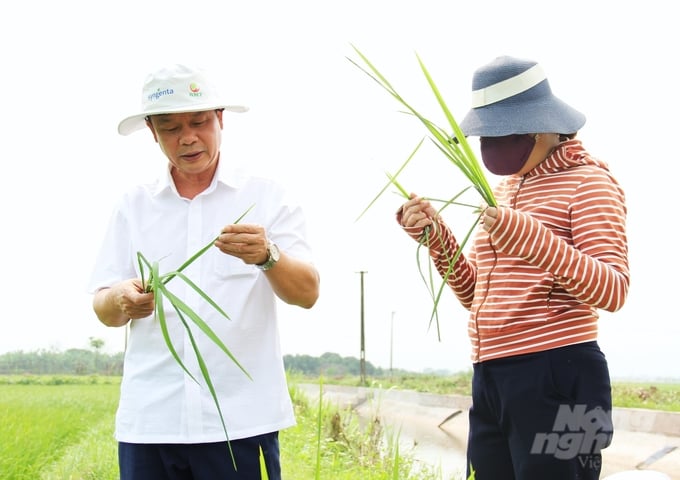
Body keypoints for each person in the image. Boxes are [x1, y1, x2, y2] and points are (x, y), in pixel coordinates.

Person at [396, 56, 629, 479]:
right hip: (491, 376)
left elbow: (613, 290)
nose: (491, 144)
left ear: (540, 125)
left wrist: (532, 239)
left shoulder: (589, 183)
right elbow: (476, 296)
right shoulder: (503, 190)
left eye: (502, 133)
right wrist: (437, 237)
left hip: (561, 372)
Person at [88, 64, 320, 480]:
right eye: (170, 127)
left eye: (199, 122)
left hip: (241, 423)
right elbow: (103, 308)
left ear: (220, 120)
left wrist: (268, 256)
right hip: (151, 423)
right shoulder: (133, 206)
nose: (188, 137)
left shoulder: (266, 195)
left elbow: (307, 293)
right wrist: (121, 297)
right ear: (152, 131)